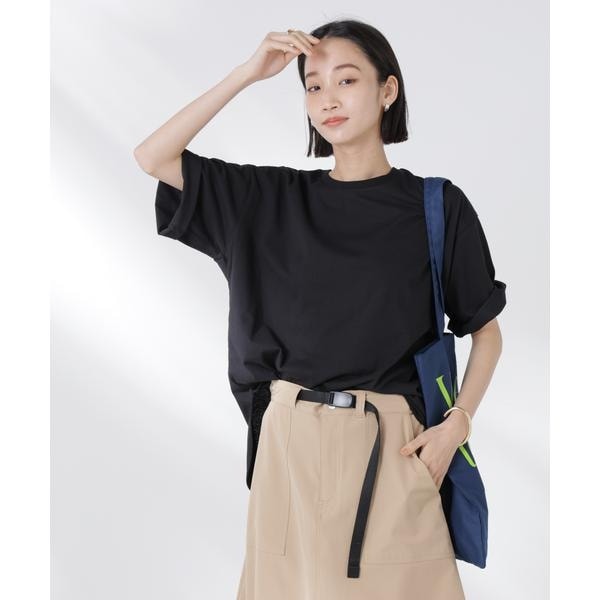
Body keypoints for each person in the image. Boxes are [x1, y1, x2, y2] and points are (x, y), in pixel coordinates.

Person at [134, 18, 506, 600]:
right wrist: (247, 74)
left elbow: (487, 332)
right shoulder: (270, 201)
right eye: (313, 85)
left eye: (347, 80)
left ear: (388, 90)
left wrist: (456, 424)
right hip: (290, 449)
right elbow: (153, 156)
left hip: (393, 448)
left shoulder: (436, 206)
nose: (327, 99)